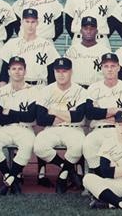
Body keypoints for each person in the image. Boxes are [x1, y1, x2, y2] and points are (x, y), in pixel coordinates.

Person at [33, 57, 88, 194]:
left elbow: (78, 117)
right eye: (58, 71)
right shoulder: (46, 90)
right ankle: (67, 168)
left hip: (74, 129)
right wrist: (67, 115)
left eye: (65, 71)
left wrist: (54, 112)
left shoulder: (81, 91)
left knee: (79, 145)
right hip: (52, 129)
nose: (61, 74)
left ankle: (62, 177)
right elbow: (40, 118)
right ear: (54, 72)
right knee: (39, 146)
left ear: (71, 72)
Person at [0, 56, 38, 195]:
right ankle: (10, 177)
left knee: (27, 145)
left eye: (20, 68)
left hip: (25, 129)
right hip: (4, 129)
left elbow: (32, 116)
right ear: (8, 71)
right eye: (13, 68)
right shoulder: (0, 92)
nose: (17, 71)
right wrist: (20, 114)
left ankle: (9, 179)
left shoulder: (34, 91)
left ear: (25, 71)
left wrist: (9, 113)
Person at [83, 53, 122, 176]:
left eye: (113, 66)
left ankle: (112, 176)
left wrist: (101, 112)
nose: (109, 69)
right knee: (88, 144)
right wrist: (115, 111)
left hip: (120, 130)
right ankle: (100, 173)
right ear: (101, 68)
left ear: (119, 67)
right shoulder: (93, 88)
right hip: (98, 130)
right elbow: (89, 113)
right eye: (106, 66)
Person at [0, 8, 60, 87]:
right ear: (21, 22)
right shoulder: (12, 44)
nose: (30, 25)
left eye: (33, 22)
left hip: (39, 86)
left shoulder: (46, 45)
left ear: (37, 23)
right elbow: (4, 73)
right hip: (17, 86)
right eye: (27, 21)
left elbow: (51, 74)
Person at [64, 16, 111, 89]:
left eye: (91, 29)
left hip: (97, 90)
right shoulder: (72, 50)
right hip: (76, 89)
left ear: (97, 31)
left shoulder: (105, 51)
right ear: (81, 31)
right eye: (85, 29)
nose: (88, 31)